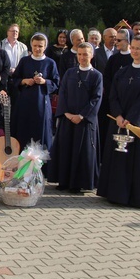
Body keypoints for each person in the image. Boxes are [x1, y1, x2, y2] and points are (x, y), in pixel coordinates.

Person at [97, 35, 140, 209]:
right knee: (118, 158)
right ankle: (116, 194)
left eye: (139, 48)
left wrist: (131, 120)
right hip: (119, 122)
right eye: (133, 47)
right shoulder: (122, 71)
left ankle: (137, 197)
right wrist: (117, 115)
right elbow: (113, 94)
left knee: (138, 160)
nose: (135, 51)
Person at [48, 42, 103, 193]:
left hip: (84, 121)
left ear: (91, 55)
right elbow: (63, 93)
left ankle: (78, 183)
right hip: (67, 119)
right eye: (79, 54)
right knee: (65, 149)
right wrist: (66, 113)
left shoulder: (96, 75)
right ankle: (64, 180)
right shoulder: (70, 73)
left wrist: (81, 116)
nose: (82, 57)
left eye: (85, 54)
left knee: (81, 152)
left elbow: (96, 99)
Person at [11, 33, 59, 149]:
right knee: (24, 132)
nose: (37, 49)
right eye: (35, 45)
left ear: (45, 47)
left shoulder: (50, 63)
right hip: (25, 103)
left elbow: (56, 83)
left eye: (40, 46)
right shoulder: (24, 61)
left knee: (40, 133)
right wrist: (24, 81)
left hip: (41, 103)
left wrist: (44, 82)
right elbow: (14, 80)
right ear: (31, 46)